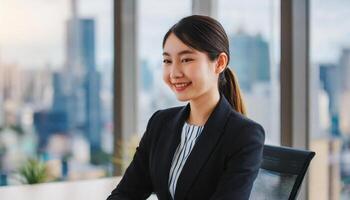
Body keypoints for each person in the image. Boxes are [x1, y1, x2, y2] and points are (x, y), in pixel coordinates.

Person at [107, 15, 265, 200]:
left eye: (186, 59)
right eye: (167, 61)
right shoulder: (160, 123)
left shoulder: (244, 135)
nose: (174, 73)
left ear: (220, 63)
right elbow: (126, 193)